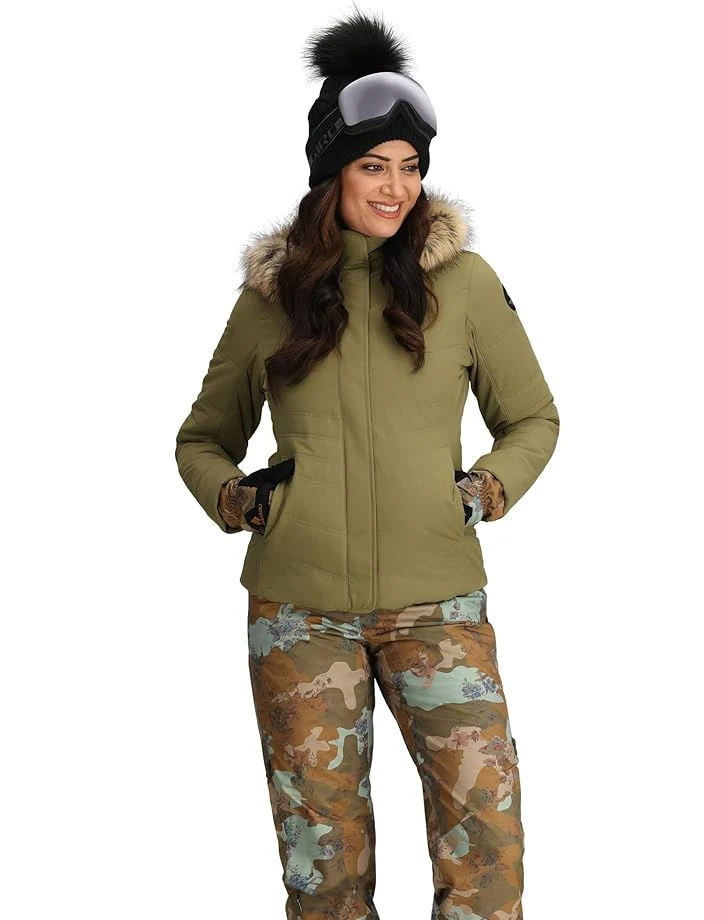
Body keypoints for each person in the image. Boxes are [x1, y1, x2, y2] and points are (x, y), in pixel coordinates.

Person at [174, 9, 559, 920]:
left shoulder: (462, 284)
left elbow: (533, 419)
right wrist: (238, 500)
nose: (396, 187)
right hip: (298, 618)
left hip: (439, 608)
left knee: (487, 844)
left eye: (410, 166)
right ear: (331, 173)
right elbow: (200, 438)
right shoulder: (272, 298)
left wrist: (483, 490)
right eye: (373, 165)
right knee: (324, 867)